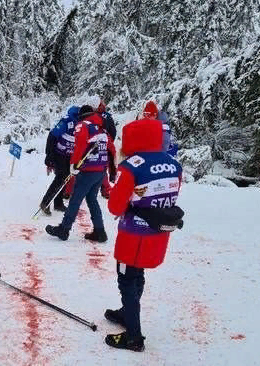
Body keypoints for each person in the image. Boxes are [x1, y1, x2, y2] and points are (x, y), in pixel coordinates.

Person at [103, 108, 183, 352]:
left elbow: (115, 205)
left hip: (133, 236)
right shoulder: (173, 164)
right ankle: (128, 312)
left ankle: (133, 335)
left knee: (127, 279)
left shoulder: (132, 166)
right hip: (158, 234)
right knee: (138, 275)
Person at [45, 101, 115, 243]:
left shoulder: (83, 125)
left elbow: (79, 146)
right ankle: (100, 231)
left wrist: (73, 164)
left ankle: (64, 229)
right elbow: (111, 148)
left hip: (88, 170)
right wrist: (112, 170)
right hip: (100, 171)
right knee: (92, 200)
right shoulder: (101, 128)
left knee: (75, 199)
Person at [39, 105, 81, 215]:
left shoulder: (81, 124)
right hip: (59, 154)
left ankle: (58, 203)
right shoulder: (67, 121)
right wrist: (49, 156)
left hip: (69, 155)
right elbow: (52, 136)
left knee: (66, 177)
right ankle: (45, 202)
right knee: (60, 177)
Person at [97, 98, 117, 199]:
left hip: (92, 144)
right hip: (106, 143)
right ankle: (105, 189)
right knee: (104, 166)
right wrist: (110, 141)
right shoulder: (107, 116)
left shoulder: (92, 115)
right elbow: (113, 131)